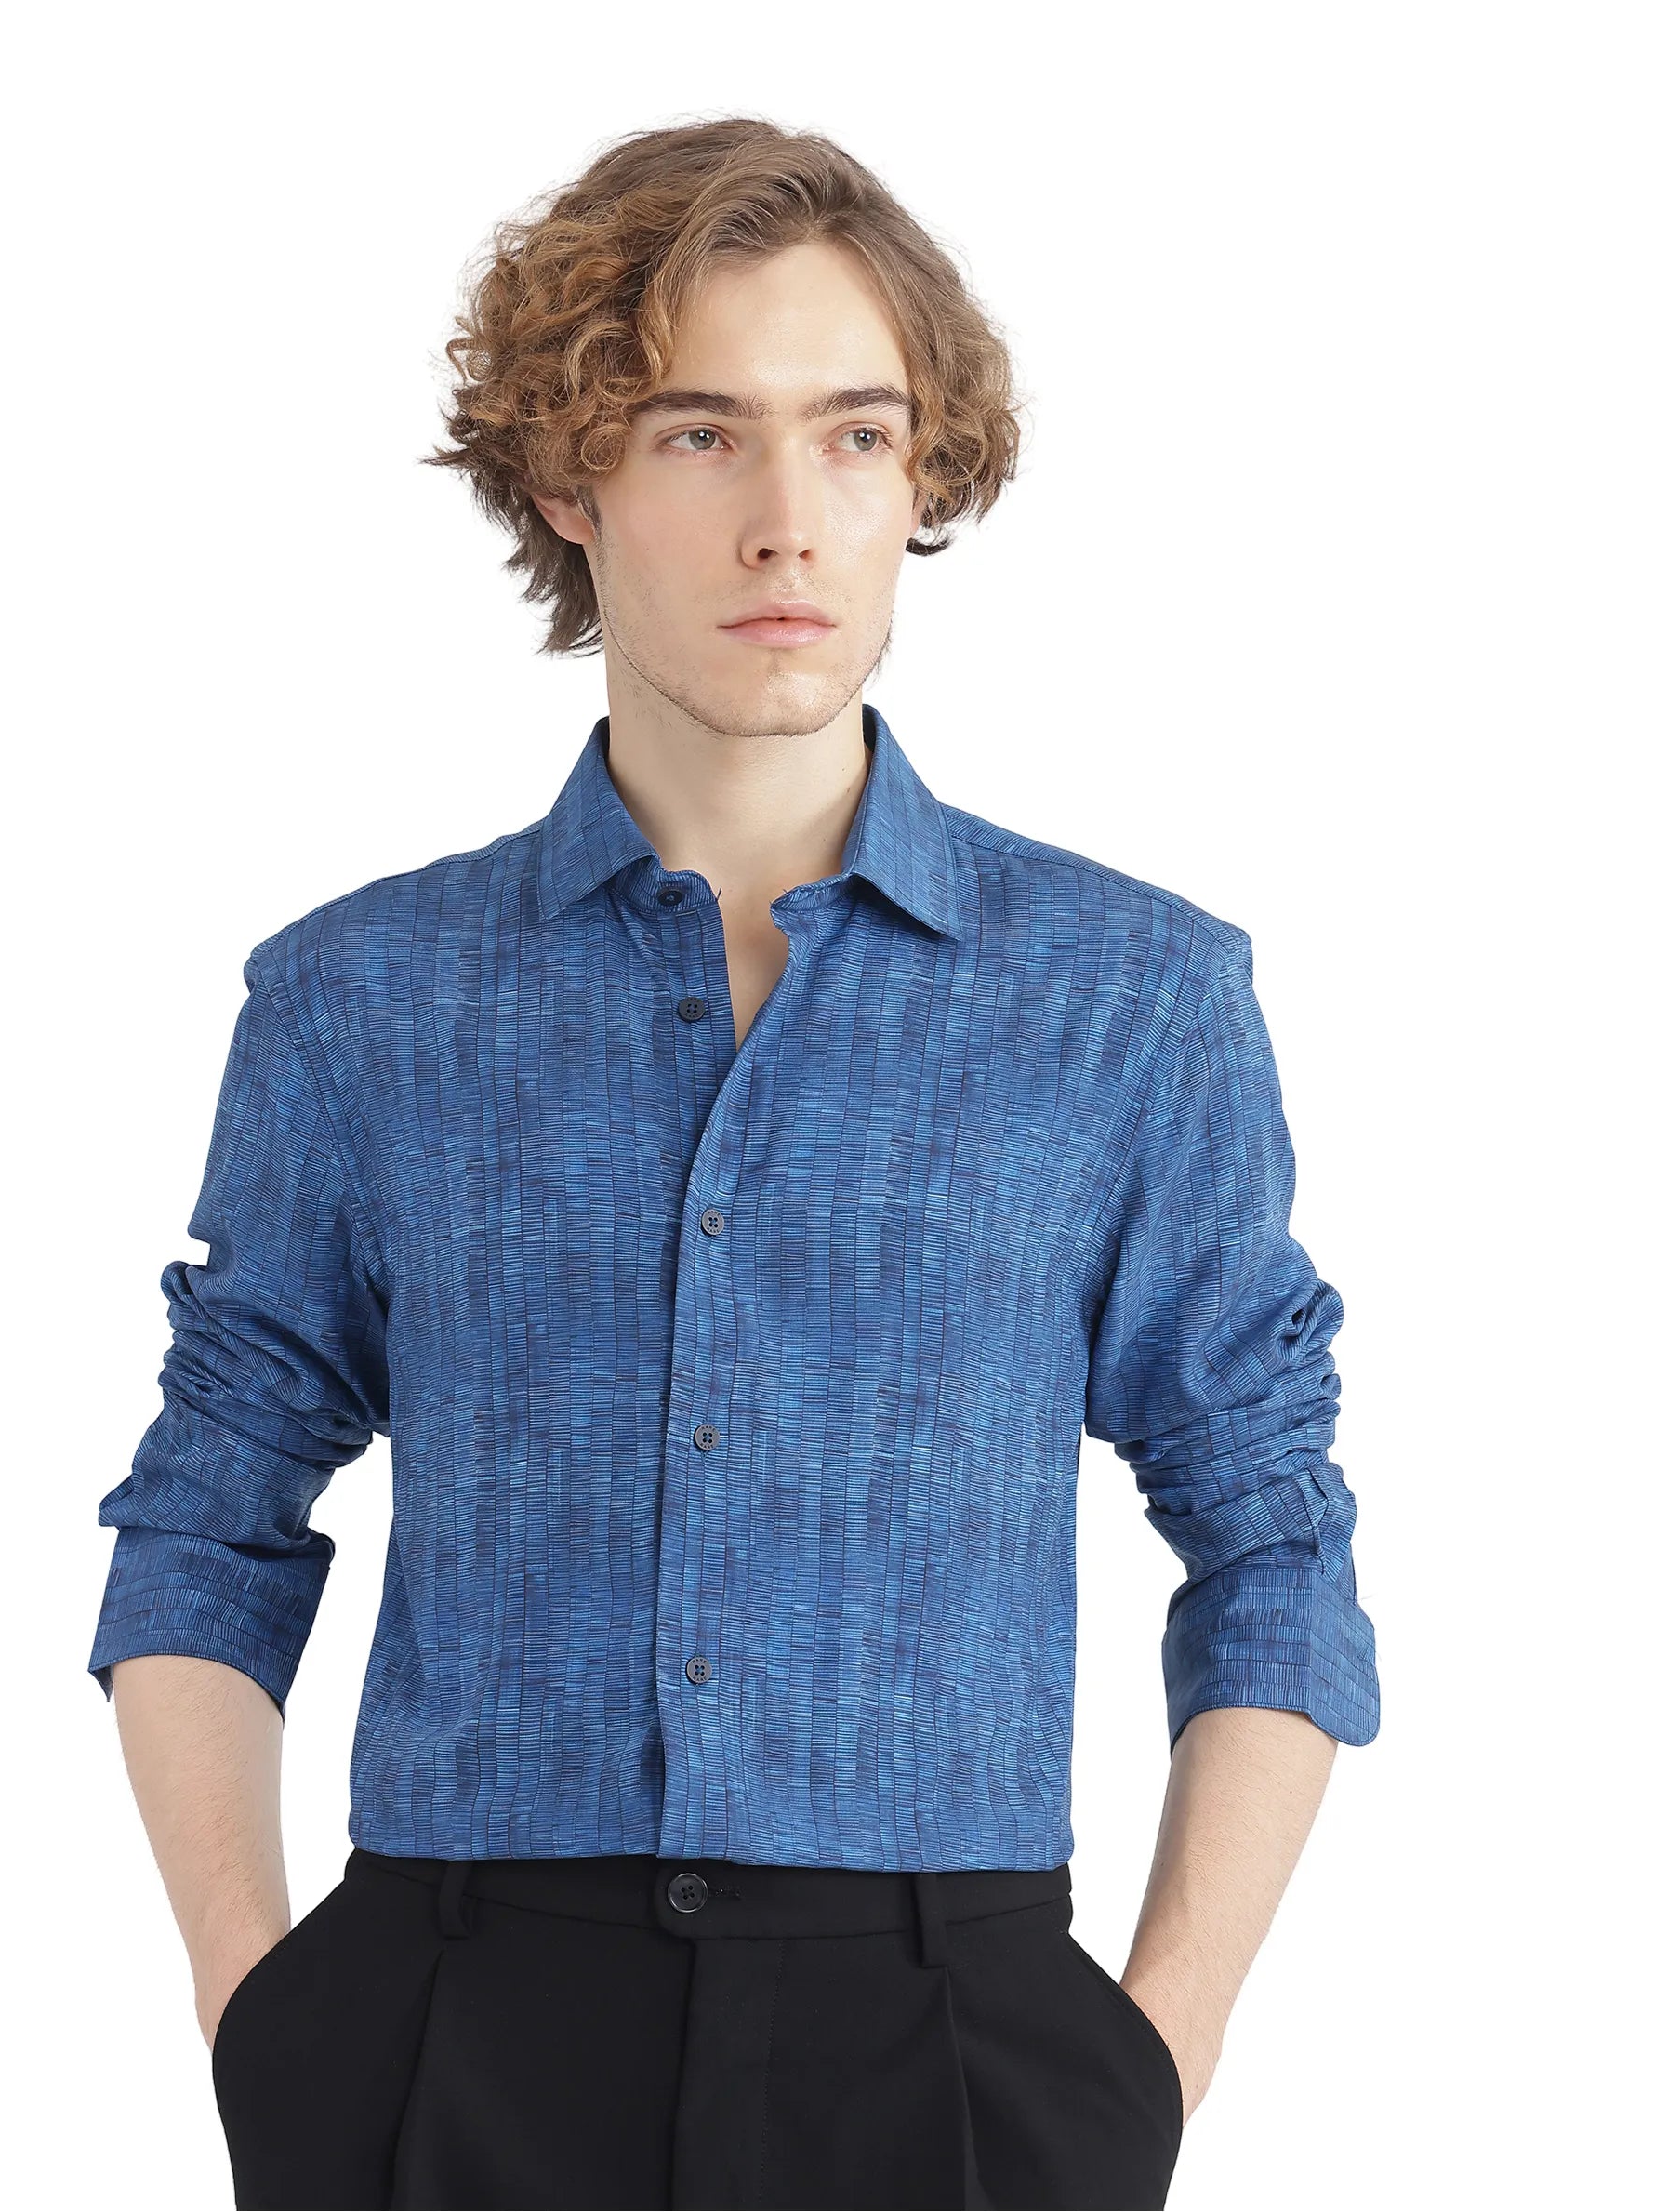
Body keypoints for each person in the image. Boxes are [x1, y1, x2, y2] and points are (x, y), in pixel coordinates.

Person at [87, 116, 1380, 2212]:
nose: (790, 520)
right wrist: (263, 2007)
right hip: (455, 2032)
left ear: (922, 478)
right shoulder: (362, 1000)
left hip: (952, 2044)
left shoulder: (1132, 1002)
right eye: (700, 434)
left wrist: (1151, 2051)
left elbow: (1273, 1539)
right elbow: (206, 1513)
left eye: (856, 436)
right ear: (564, 479)